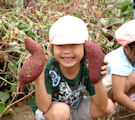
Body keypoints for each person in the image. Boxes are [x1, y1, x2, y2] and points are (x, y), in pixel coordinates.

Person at [34, 15, 114, 120]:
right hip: (52, 113)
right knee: (62, 111)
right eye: (60, 45)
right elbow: (44, 107)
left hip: (76, 108)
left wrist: (97, 81)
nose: (67, 51)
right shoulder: (51, 67)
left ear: (84, 46)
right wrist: (38, 77)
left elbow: (102, 106)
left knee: (109, 105)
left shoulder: (88, 67)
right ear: (52, 47)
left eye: (73, 44)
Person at [103, 20, 135, 112]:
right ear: (126, 47)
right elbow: (118, 95)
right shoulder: (118, 61)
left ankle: (129, 98)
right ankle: (115, 104)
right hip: (104, 95)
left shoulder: (130, 55)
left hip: (118, 85)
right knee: (133, 77)